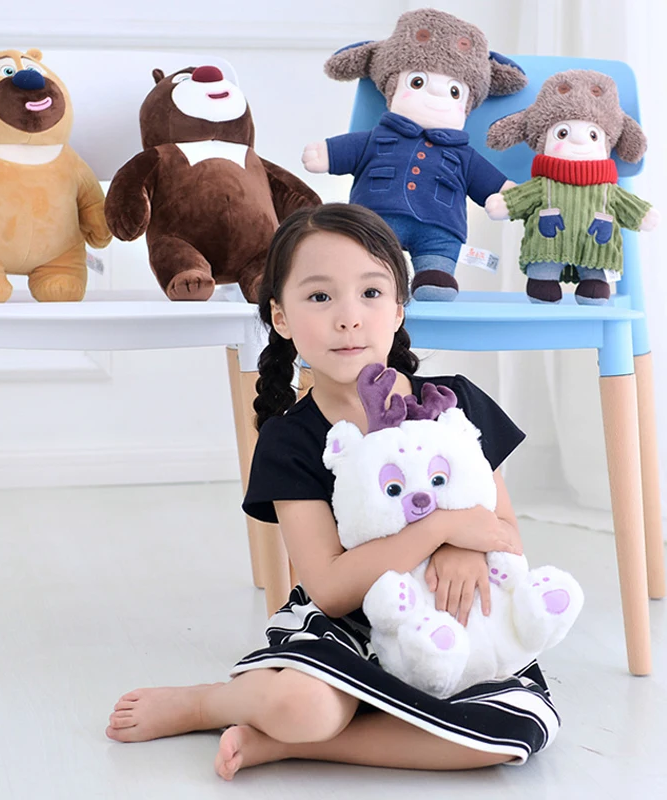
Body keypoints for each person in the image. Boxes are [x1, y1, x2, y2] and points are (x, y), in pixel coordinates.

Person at [106, 203, 560, 780]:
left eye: (370, 293)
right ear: (281, 316)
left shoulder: (455, 404)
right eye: (320, 297)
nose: (349, 318)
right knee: (305, 708)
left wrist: (466, 550)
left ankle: (287, 747)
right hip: (348, 625)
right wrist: (445, 529)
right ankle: (209, 704)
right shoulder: (290, 440)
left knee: (512, 734)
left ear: (398, 308)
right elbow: (331, 588)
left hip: (453, 616)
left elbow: (506, 536)